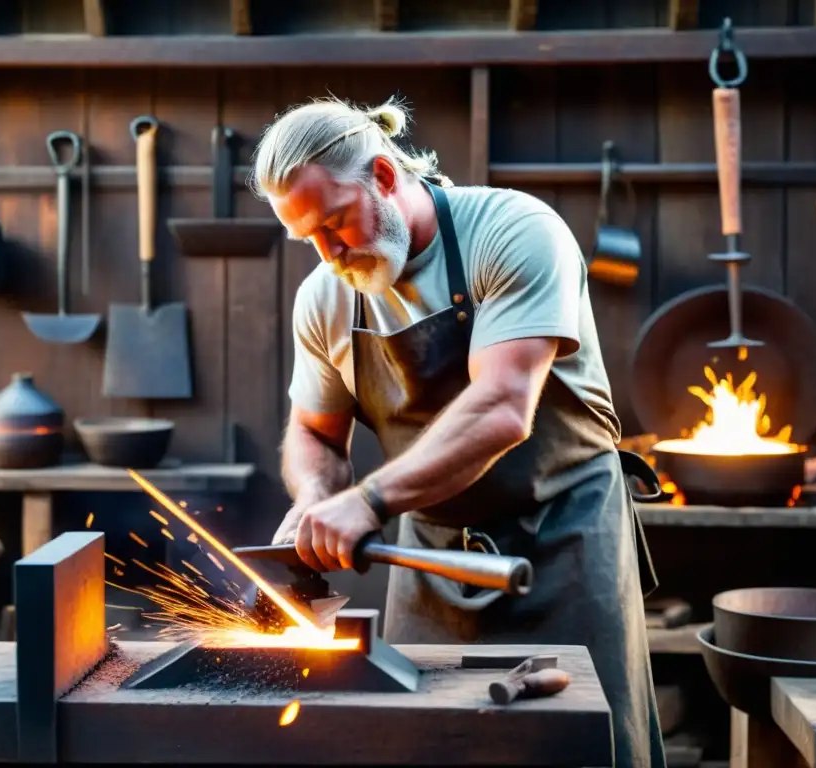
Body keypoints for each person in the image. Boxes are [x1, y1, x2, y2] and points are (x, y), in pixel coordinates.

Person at [248, 94, 667, 768]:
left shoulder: (513, 231)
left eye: (336, 223)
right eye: (310, 239)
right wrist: (316, 501)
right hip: (430, 557)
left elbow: (502, 406)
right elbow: (314, 435)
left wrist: (368, 502)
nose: (329, 254)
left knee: (584, 746)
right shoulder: (326, 297)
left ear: (384, 177)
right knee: (430, 746)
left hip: (562, 538)